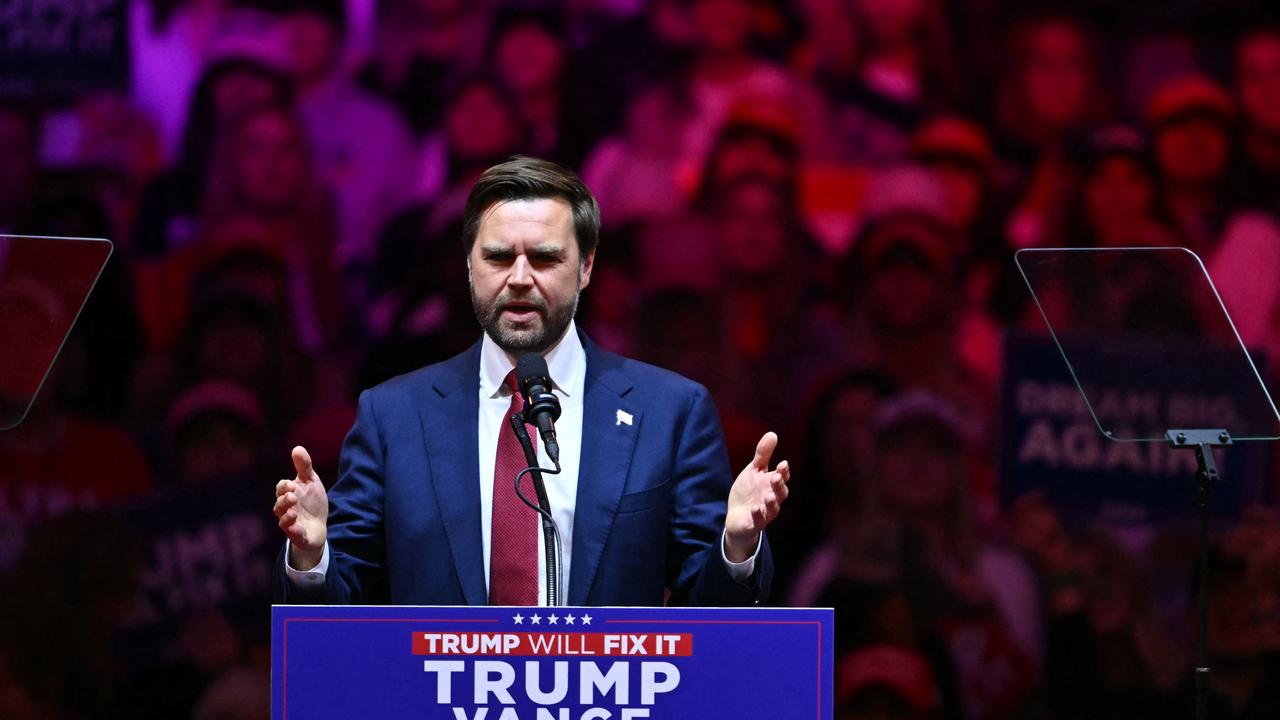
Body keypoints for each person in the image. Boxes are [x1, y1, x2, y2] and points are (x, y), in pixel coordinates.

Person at [271, 156, 790, 606]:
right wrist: (312, 556)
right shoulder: (394, 417)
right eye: (498, 257)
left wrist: (738, 546)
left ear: (586, 267)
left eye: (544, 257)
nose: (520, 277)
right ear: (470, 268)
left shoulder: (671, 412)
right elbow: (335, 618)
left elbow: (711, 617)